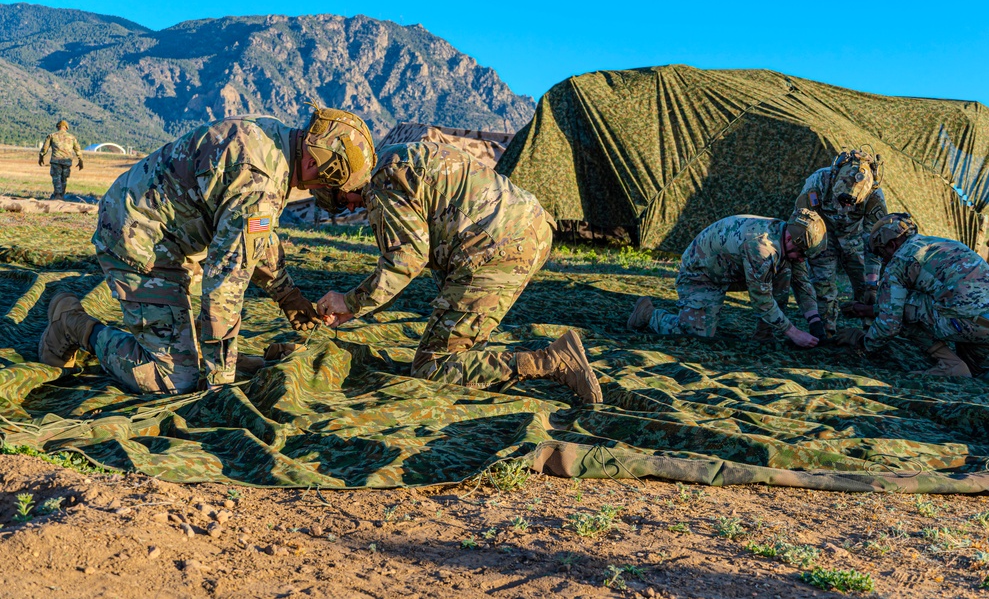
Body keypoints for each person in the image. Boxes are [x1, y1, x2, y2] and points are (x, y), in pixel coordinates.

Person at [37, 108, 370, 393]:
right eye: (343, 195)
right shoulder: (259, 183)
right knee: (174, 379)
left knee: (194, 349)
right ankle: (74, 324)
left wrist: (287, 296)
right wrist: (219, 383)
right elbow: (225, 285)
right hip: (138, 240)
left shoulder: (274, 140)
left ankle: (187, 346)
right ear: (319, 166)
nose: (341, 201)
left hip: (167, 234)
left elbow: (257, 236)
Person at [313, 140, 603, 404]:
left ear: (344, 179)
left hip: (496, 247)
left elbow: (405, 260)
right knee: (457, 344)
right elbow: (435, 245)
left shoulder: (381, 183)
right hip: (528, 230)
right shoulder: (398, 156)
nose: (351, 207)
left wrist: (349, 302)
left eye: (341, 201)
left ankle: (551, 361)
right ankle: (476, 363)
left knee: (431, 369)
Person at [627, 209, 828, 347]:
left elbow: (802, 283)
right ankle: (648, 314)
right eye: (801, 253)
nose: (802, 259)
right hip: (702, 276)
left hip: (732, 270)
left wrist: (815, 323)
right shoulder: (761, 248)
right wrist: (793, 333)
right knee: (697, 336)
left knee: (786, 268)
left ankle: (765, 335)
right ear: (790, 239)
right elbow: (762, 300)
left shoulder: (789, 236)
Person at [836, 213, 989, 379]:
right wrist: (870, 310)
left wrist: (862, 344)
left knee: (903, 309)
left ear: (891, 245)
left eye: (881, 253)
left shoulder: (899, 261)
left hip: (966, 322)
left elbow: (891, 323)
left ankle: (949, 364)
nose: (883, 260)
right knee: (982, 373)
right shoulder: (944, 243)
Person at [794, 149, 887, 337]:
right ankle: (826, 331)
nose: (846, 208)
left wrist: (872, 282)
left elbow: (875, 242)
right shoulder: (819, 182)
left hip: (855, 241)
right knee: (823, 284)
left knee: (866, 288)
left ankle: (870, 332)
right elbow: (801, 221)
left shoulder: (874, 196)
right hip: (822, 237)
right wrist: (803, 252)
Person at [38, 120, 84, 200]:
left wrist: (41, 157)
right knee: (64, 178)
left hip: (56, 160)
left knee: (56, 177)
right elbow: (78, 150)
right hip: (67, 161)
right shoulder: (72, 137)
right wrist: (80, 161)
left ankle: (58, 195)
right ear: (66, 128)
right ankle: (61, 195)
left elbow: (44, 148)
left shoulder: (52, 136)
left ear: (58, 126)